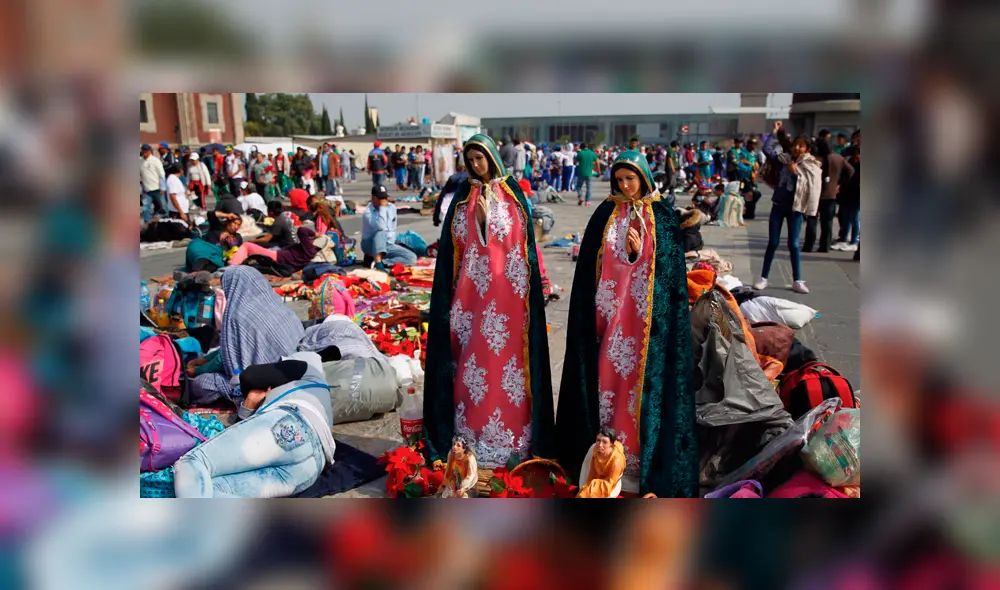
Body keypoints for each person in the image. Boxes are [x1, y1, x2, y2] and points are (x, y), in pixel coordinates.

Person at [556, 150, 697, 498]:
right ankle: (605, 457)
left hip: (646, 326)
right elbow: (592, 269)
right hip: (609, 321)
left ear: (644, 177)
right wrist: (625, 256)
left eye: (630, 179)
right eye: (619, 180)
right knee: (609, 383)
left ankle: (637, 461)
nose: (624, 186)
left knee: (640, 389)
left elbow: (668, 277)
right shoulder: (605, 215)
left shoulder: (661, 217)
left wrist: (640, 253)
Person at [423, 133, 556, 469]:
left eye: (480, 158)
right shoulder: (462, 197)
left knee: (507, 369)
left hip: (508, 299)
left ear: (492, 157)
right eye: (470, 160)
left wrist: (489, 222)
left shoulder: (512, 194)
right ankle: (472, 435)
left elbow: (519, 242)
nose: (476, 165)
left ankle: (512, 439)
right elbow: (455, 247)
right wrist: (477, 222)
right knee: (472, 364)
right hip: (470, 300)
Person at [174, 349, 335, 498]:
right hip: (313, 466)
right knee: (211, 487)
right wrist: (249, 405)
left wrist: (251, 394)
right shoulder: (319, 393)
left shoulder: (305, 367)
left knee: (192, 461)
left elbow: (250, 375)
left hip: (291, 425)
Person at [185, 267, 305, 405]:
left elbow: (227, 357)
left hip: (269, 379)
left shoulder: (238, 315)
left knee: (200, 384)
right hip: (300, 370)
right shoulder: (275, 303)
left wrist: (198, 371)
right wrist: (205, 359)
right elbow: (232, 348)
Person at [754, 124, 822, 294]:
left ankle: (797, 280)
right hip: (778, 206)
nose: (797, 148)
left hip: (795, 210)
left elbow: (810, 186)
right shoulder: (783, 160)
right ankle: (763, 277)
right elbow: (766, 149)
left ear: (807, 149)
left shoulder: (810, 164)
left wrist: (794, 173)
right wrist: (774, 132)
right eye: (795, 144)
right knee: (773, 242)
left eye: (801, 145)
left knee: (794, 245)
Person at [804, 137, 855, 252]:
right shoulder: (838, 158)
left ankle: (809, 245)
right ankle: (825, 246)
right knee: (827, 222)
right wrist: (840, 184)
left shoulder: (814, 159)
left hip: (814, 193)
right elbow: (850, 171)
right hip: (831, 193)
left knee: (812, 220)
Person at [361, 184, 416, 270]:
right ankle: (378, 262)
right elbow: (381, 227)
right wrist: (382, 208)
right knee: (381, 233)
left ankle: (383, 262)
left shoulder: (392, 207)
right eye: (380, 198)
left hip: (388, 244)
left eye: (385, 198)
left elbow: (392, 229)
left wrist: (395, 245)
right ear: (373, 198)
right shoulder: (368, 213)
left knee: (411, 257)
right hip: (370, 244)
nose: (383, 201)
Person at [228, 224, 319, 270]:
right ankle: (236, 262)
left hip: (276, 257)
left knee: (247, 245)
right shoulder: (311, 252)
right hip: (279, 258)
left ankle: (233, 264)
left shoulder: (309, 248)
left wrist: (315, 234)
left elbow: (302, 230)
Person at [576, 427, 626, 498]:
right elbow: (588, 469)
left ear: (611, 443)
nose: (600, 445)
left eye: (605, 442)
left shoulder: (617, 460)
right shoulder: (594, 449)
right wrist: (585, 486)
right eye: (598, 440)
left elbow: (610, 483)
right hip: (593, 481)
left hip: (609, 486)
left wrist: (592, 487)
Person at [833, 141, 861, 251]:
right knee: (845, 218)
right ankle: (843, 239)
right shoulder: (850, 163)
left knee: (854, 219)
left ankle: (854, 241)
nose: (856, 156)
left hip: (857, 196)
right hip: (847, 194)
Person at [433, 161, 468, 231]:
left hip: (449, 199)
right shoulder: (468, 178)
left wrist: (436, 219)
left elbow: (440, 200)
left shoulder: (453, 178)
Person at [140, 144, 166, 222]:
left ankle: (167, 222)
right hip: (147, 189)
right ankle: (147, 223)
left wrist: (163, 187)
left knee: (163, 207)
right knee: (145, 208)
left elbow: (161, 174)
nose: (145, 152)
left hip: (157, 189)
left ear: (149, 151)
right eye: (143, 150)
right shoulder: (140, 161)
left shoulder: (155, 161)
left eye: (146, 150)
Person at [575, 142, 598, 206]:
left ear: (581, 147)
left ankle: (580, 197)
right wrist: (597, 170)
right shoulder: (592, 153)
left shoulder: (580, 153)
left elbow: (575, 161)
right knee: (589, 187)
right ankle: (587, 202)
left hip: (581, 173)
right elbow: (597, 162)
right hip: (589, 173)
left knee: (578, 186)